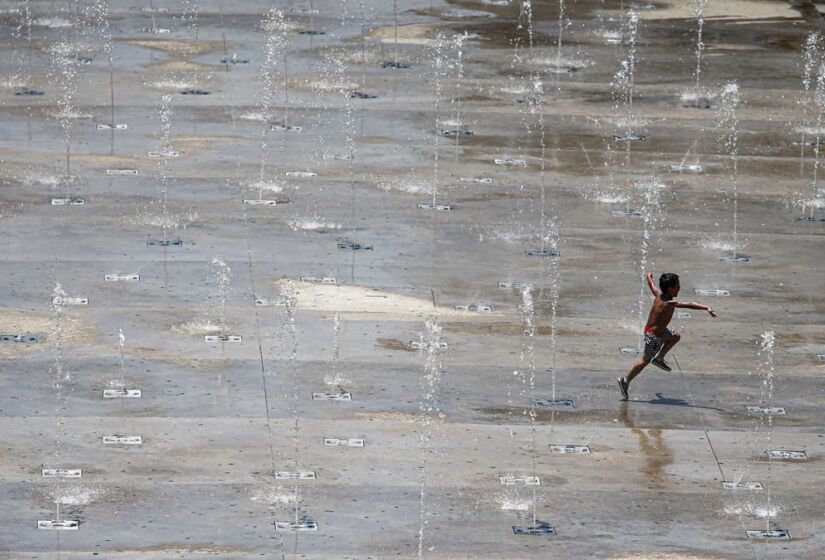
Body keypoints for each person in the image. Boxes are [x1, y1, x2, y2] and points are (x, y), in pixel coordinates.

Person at [617, 272, 718, 401]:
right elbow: (690, 304)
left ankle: (659, 358)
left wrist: (649, 277)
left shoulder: (659, 294)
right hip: (653, 336)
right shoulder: (669, 303)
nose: (679, 288)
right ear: (670, 289)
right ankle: (625, 380)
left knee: (675, 336)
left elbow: (651, 285)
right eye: (678, 286)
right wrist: (706, 307)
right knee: (645, 360)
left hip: (658, 331)